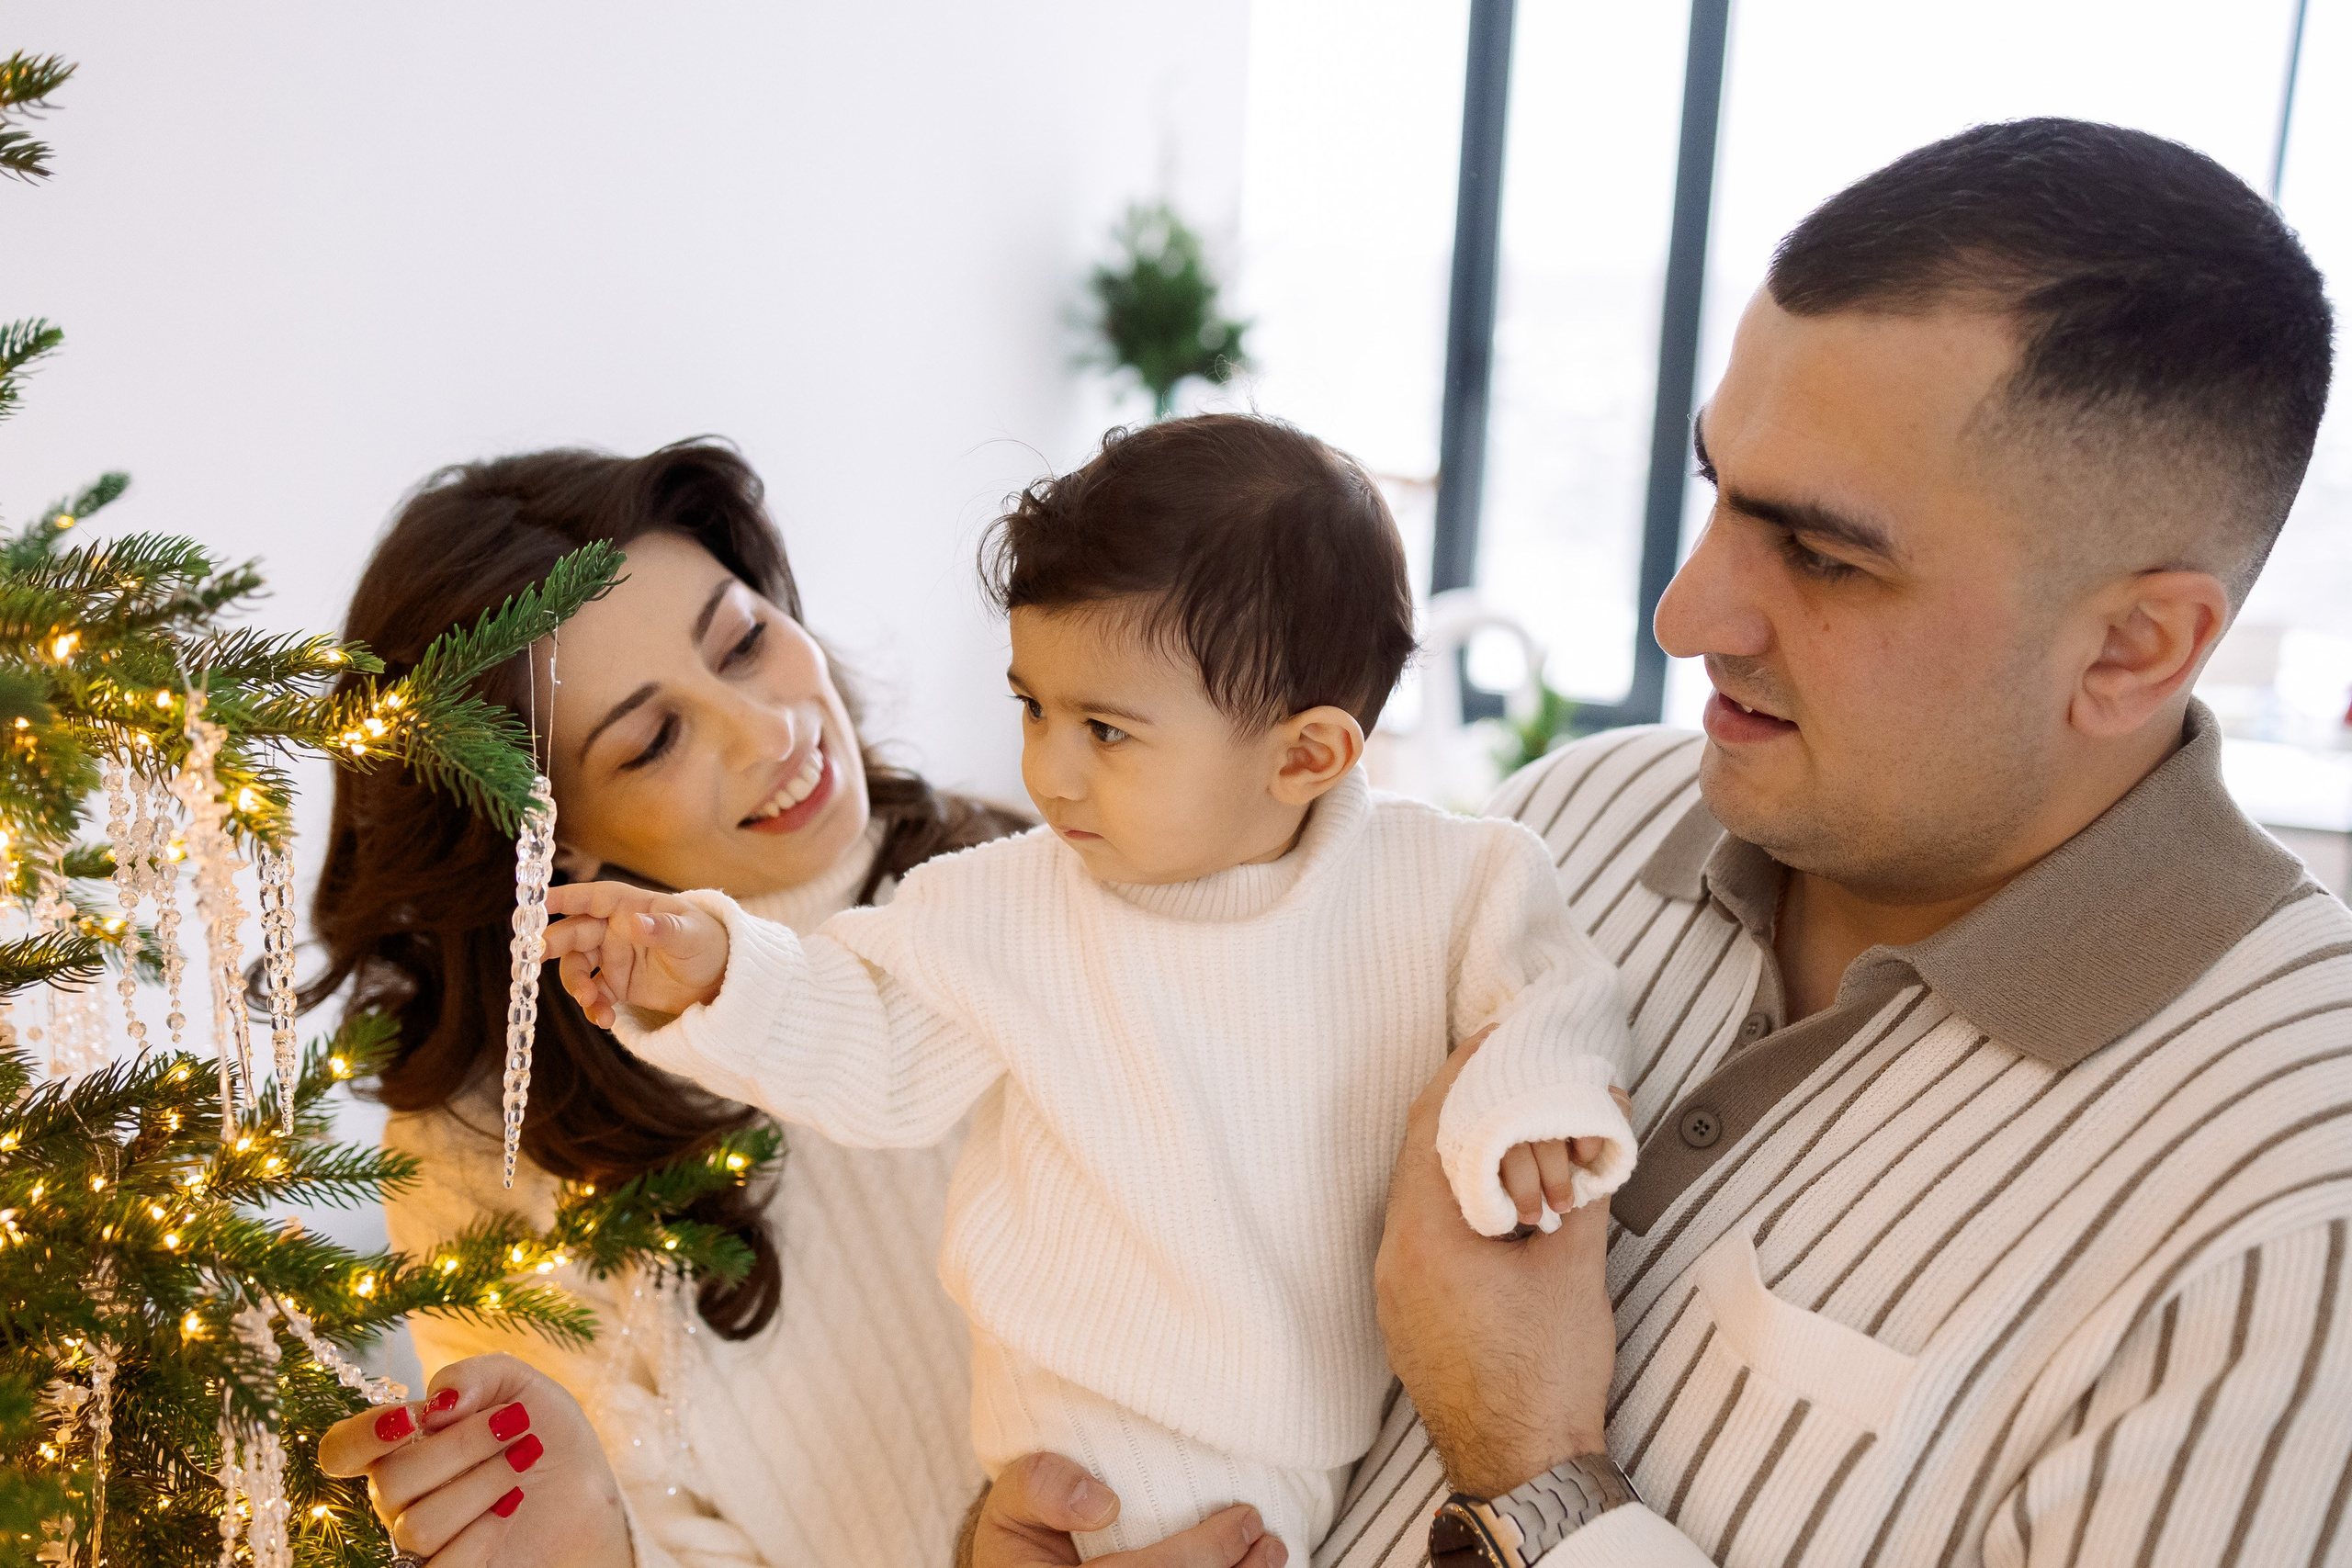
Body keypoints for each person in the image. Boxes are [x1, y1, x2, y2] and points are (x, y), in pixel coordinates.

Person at [972, 119, 2352, 1567]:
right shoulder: (1579, 816)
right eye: (1716, 491)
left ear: (2135, 645)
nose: (1684, 617)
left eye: (1823, 555)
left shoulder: (2294, 1225)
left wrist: (1538, 1469)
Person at [541, 415, 1642, 1562]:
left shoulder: (1454, 879)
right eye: (1032, 707)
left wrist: (1528, 1110)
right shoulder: (1005, 904)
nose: (1047, 770)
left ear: (1305, 756)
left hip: (1328, 1432)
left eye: (1104, 730)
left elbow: (1554, 996)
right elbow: (872, 1039)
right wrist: (716, 971)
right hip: (1087, 1440)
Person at [306, 441, 1026, 1567]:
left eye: (742, 642)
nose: (770, 731)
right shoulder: (484, 1146)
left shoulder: (1033, 887)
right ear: (552, 839)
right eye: (653, 740)